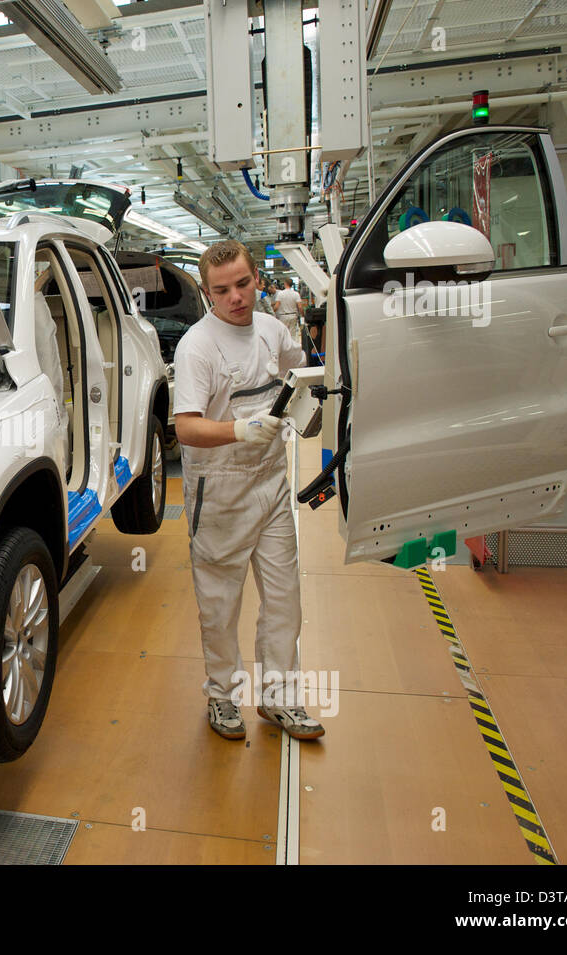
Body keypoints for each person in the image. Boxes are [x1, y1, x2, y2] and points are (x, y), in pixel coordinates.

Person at [172, 240, 325, 741]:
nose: (235, 297)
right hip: (219, 492)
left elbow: (297, 374)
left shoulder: (273, 329)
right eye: (222, 290)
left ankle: (278, 700)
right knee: (220, 605)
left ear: (257, 278)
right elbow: (187, 429)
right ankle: (222, 696)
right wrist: (239, 430)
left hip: (271, 484)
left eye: (242, 284)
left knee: (285, 600)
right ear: (207, 292)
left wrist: (306, 403)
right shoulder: (197, 346)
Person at [272, 278, 303, 342]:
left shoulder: (280, 294)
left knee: (283, 334)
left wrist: (271, 312)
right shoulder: (296, 294)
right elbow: (300, 307)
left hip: (283, 317)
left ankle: (285, 349)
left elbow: (276, 306)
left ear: (285, 284)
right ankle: (293, 349)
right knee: (293, 335)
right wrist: (303, 315)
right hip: (293, 316)